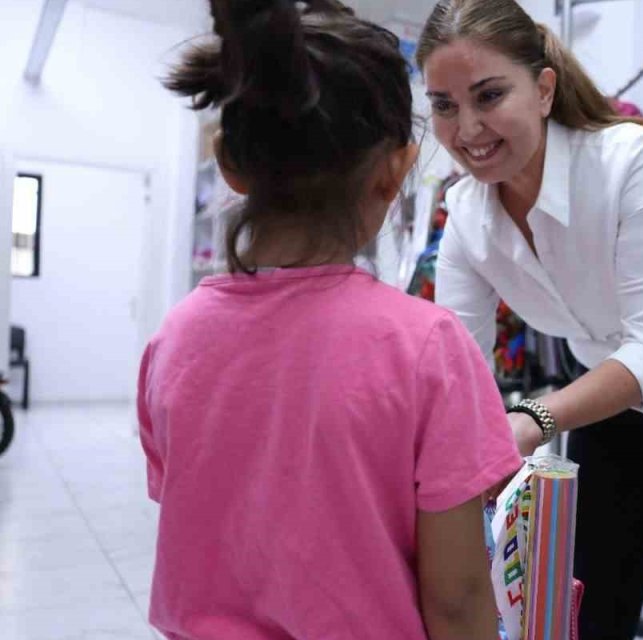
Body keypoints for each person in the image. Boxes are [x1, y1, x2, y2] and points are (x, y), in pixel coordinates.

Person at [138, 1, 521, 638]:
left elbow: (205, 520)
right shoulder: (426, 347)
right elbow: (455, 600)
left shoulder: (173, 337)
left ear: (230, 163)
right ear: (395, 170)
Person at [416, 0, 643, 637]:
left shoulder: (633, 161)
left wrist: (528, 421)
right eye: (444, 105)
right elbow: (459, 369)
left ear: (544, 89)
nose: (467, 127)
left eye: (489, 95)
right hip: (605, 413)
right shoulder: (467, 218)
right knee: (587, 607)